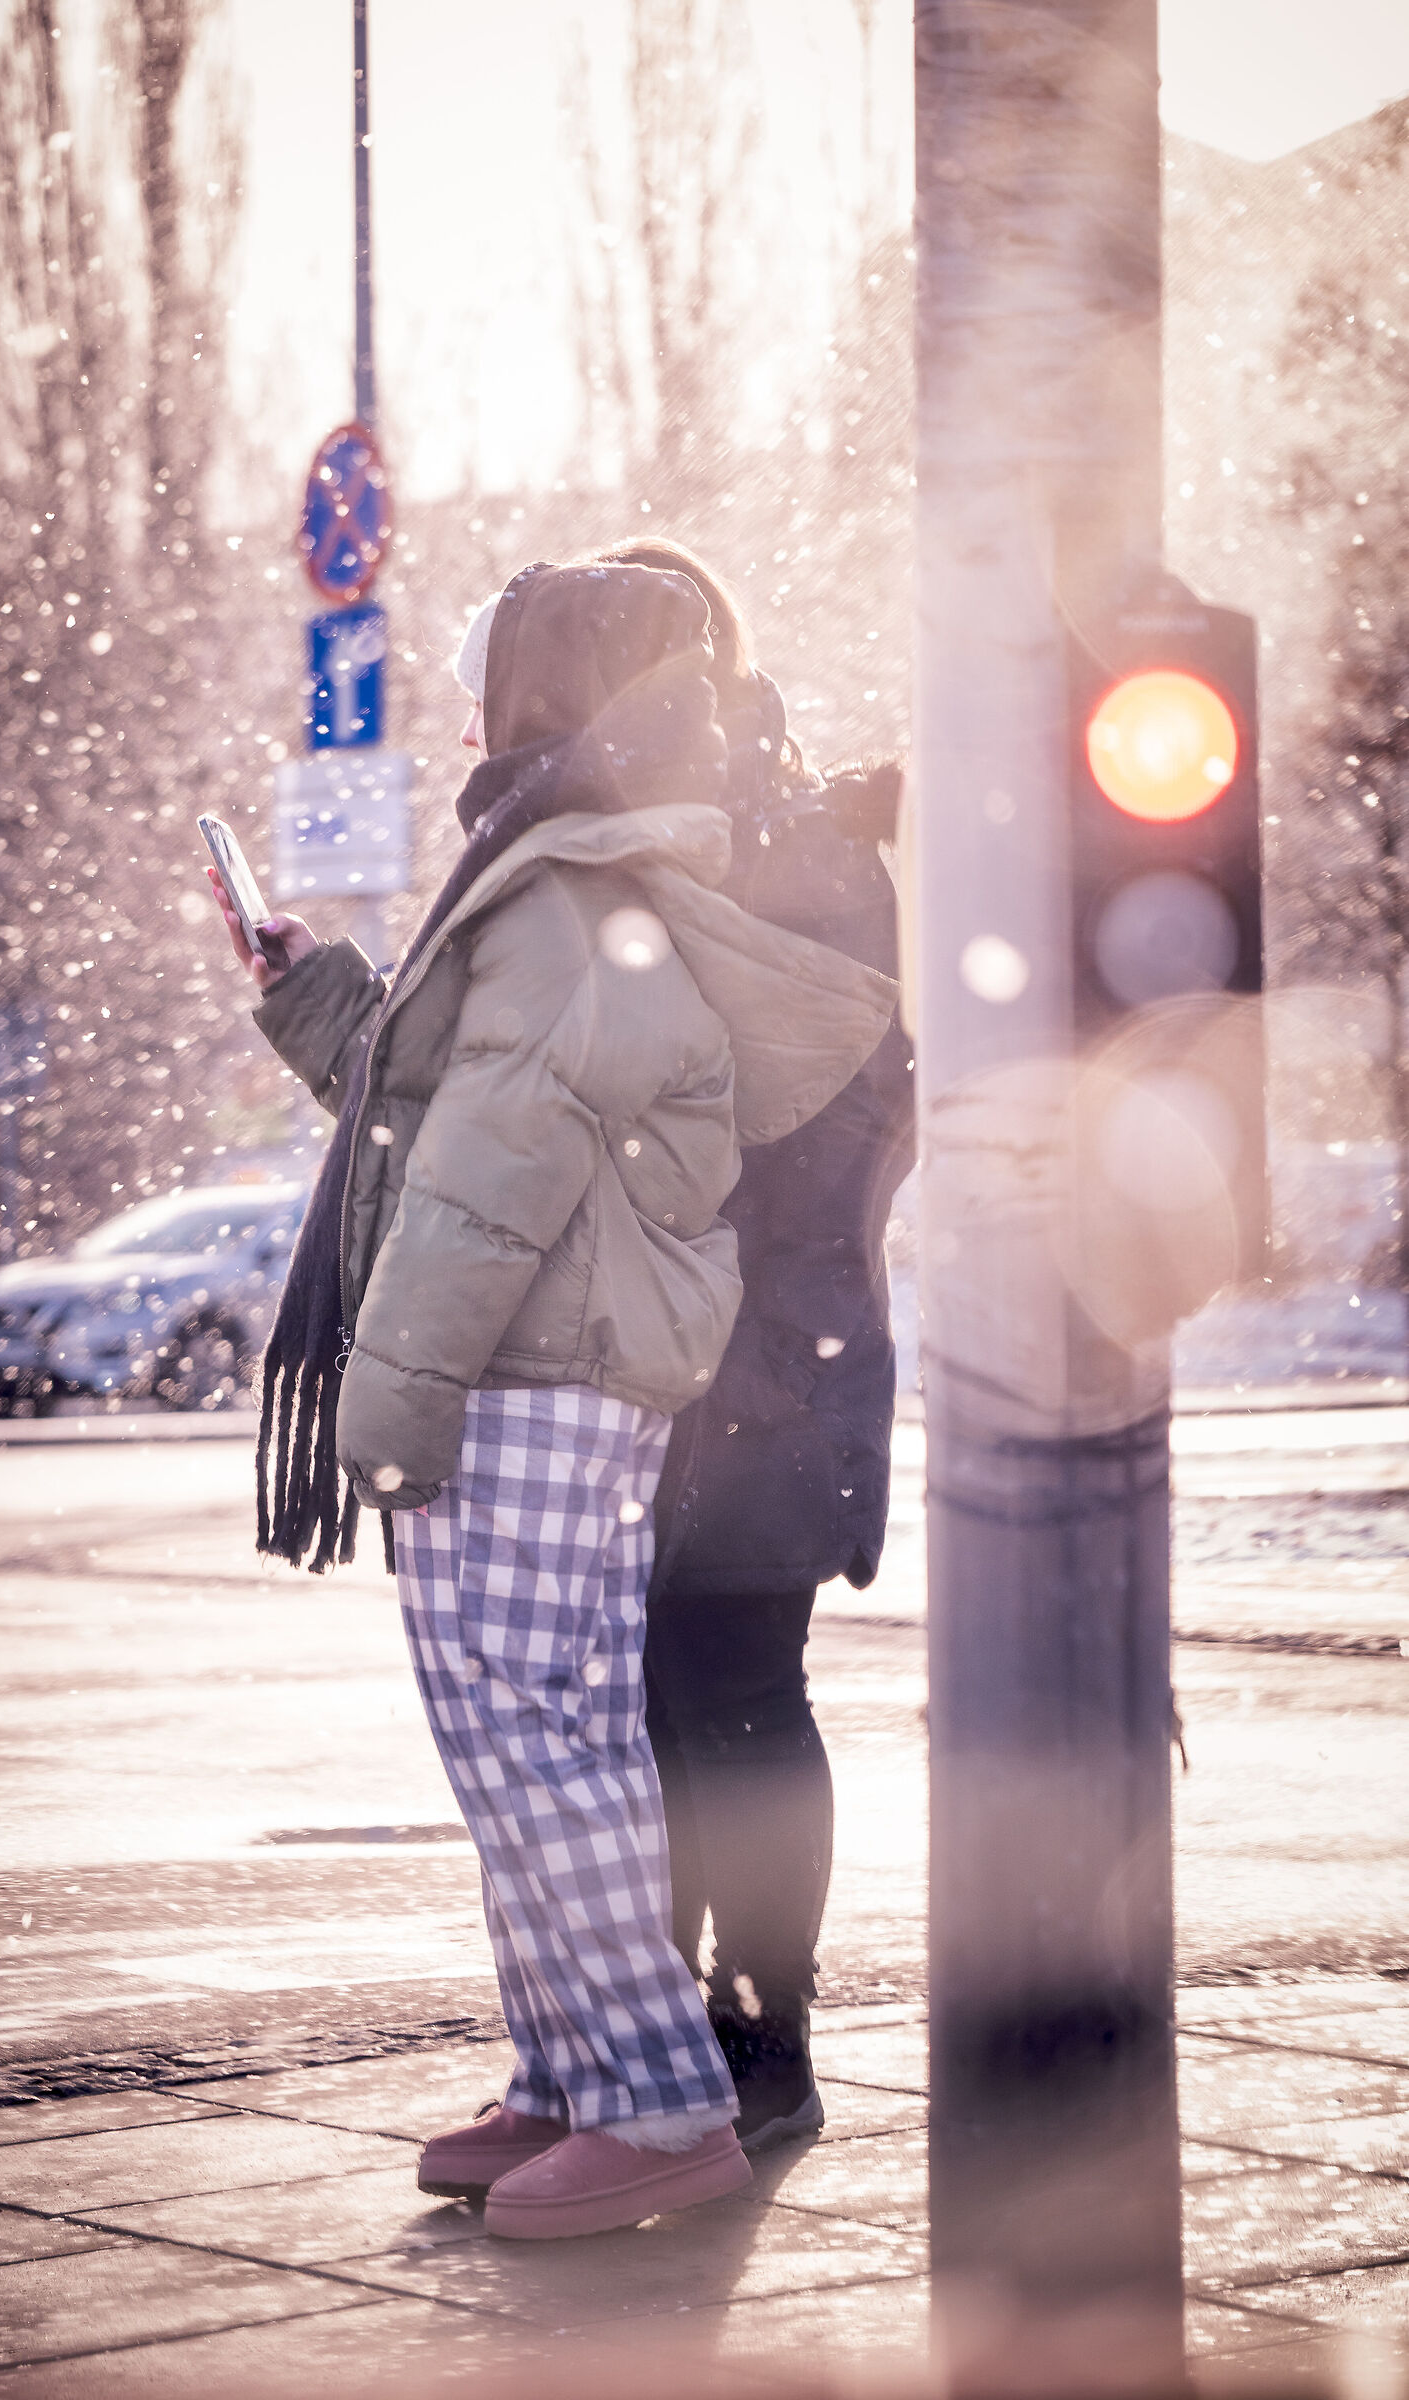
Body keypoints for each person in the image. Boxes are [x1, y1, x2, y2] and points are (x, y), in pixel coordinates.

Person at [211, 560, 896, 2240]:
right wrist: (316, 996)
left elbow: (487, 1175)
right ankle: (582, 2075)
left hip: (588, 1366)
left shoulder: (586, 879)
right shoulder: (571, 868)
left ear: (544, 697)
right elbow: (462, 1104)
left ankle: (670, 2092)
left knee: (566, 1742)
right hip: (600, 1359)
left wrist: (394, 1406)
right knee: (560, 1741)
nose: (463, 723)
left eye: (486, 687)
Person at [590, 539, 915, 2156]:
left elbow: (824, 1128)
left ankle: (764, 2037)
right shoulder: (676, 843)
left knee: (729, 1695)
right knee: (653, 1706)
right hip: (690, 1358)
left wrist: (709, 1286)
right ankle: (674, 2039)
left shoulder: (790, 853)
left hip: (771, 1356)